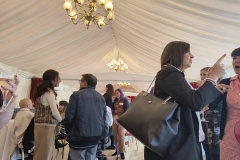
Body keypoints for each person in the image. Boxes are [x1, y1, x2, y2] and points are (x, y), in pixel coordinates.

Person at [144, 41, 230, 160]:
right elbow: (196, 102)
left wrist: (213, 90)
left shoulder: (173, 74)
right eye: (188, 52)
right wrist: (213, 76)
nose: (192, 56)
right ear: (177, 53)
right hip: (174, 142)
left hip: (175, 140)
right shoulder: (169, 73)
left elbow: (188, 104)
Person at [65, 74, 106, 160]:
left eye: (81, 81)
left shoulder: (76, 95)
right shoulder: (101, 98)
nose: (80, 83)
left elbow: (69, 116)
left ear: (85, 83)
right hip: (95, 136)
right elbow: (103, 118)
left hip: (79, 137)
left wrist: (69, 131)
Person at [209, 47, 240, 160]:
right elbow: (210, 106)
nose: (236, 60)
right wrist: (214, 91)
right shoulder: (226, 82)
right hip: (229, 135)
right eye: (234, 58)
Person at [33, 69, 62, 160]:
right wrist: (62, 121)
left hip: (42, 126)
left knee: (42, 152)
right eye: (58, 78)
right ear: (52, 80)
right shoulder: (49, 93)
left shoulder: (43, 91)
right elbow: (55, 112)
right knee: (45, 153)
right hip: (46, 126)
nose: (60, 80)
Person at [111, 88, 130, 159]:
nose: (116, 95)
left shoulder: (124, 100)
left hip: (122, 119)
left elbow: (127, 110)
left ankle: (122, 151)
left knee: (121, 135)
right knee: (115, 135)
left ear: (121, 93)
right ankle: (117, 150)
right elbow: (112, 109)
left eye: (117, 93)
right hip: (115, 118)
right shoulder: (114, 101)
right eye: (115, 93)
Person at [103, 84, 115, 150]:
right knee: (111, 129)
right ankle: (112, 144)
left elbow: (103, 103)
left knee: (105, 129)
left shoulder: (106, 95)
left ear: (107, 88)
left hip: (106, 114)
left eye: (106, 87)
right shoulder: (113, 96)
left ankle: (104, 144)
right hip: (111, 114)